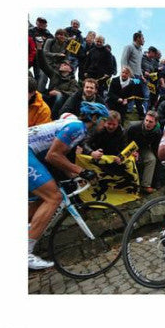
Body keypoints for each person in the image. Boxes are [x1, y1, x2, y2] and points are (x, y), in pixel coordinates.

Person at [28, 102, 109, 269]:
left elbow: (59, 159)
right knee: (54, 197)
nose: (105, 125)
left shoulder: (73, 126)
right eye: (104, 120)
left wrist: (74, 175)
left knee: (41, 201)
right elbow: (53, 156)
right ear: (94, 118)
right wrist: (82, 171)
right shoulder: (77, 127)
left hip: (31, 153)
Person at [36, 42, 80, 119]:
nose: (62, 65)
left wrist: (60, 93)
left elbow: (73, 93)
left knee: (59, 96)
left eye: (65, 64)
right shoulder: (54, 74)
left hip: (63, 103)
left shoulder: (73, 81)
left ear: (70, 69)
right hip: (49, 97)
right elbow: (43, 65)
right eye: (62, 64)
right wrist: (39, 49)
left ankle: (52, 118)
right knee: (36, 95)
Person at [126, 111, 163, 194]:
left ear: (155, 123)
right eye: (146, 120)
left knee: (152, 159)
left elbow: (155, 148)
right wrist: (132, 151)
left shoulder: (157, 132)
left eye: (150, 122)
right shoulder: (133, 127)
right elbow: (125, 141)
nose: (147, 123)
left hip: (143, 147)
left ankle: (146, 185)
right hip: (129, 147)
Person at [121, 31, 149, 113]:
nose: (144, 40)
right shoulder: (129, 47)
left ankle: (133, 110)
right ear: (138, 38)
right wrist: (125, 74)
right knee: (128, 92)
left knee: (137, 93)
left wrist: (142, 76)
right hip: (129, 75)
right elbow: (123, 61)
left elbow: (138, 65)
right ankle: (127, 109)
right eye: (143, 38)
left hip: (138, 76)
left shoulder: (140, 50)